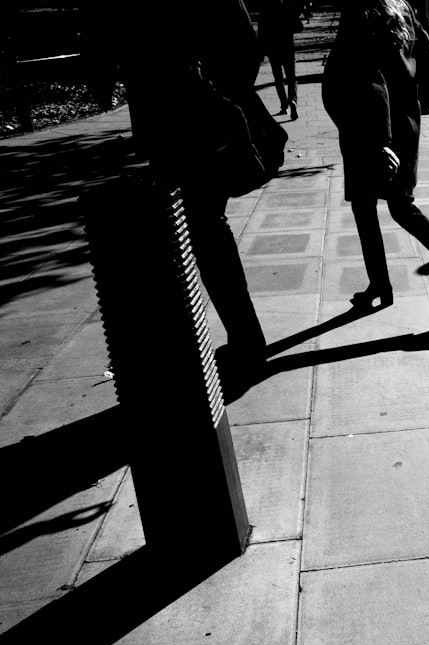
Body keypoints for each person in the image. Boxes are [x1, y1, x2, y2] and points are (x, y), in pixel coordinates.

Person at [122, 0, 269, 381]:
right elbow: (246, 47)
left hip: (185, 125)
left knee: (200, 231)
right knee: (202, 231)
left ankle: (241, 340)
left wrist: (212, 95)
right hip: (192, 121)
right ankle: (242, 338)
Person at [322, 0, 429, 310]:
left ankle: (385, 284)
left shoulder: (361, 11)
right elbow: (426, 51)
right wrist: (426, 98)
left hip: (367, 126)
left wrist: (380, 140)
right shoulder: (402, 6)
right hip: (404, 122)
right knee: (400, 206)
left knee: (366, 207)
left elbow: (368, 77)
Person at [258, 0, 303, 120]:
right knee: (291, 76)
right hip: (287, 45)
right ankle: (292, 100)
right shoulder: (286, 5)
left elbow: (261, 30)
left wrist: (261, 49)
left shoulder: (265, 8)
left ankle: (284, 105)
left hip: (273, 47)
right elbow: (298, 26)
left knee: (278, 78)